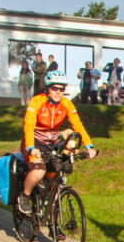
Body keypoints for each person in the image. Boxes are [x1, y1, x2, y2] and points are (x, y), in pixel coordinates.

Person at [16, 71, 96, 215]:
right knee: (39, 170)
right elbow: (28, 125)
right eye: (55, 88)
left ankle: (54, 227)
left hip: (51, 143)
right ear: (47, 88)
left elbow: (78, 126)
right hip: (34, 143)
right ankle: (25, 196)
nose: (58, 92)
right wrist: (30, 148)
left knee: (54, 185)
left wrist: (89, 146)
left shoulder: (66, 104)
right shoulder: (36, 102)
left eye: (61, 89)